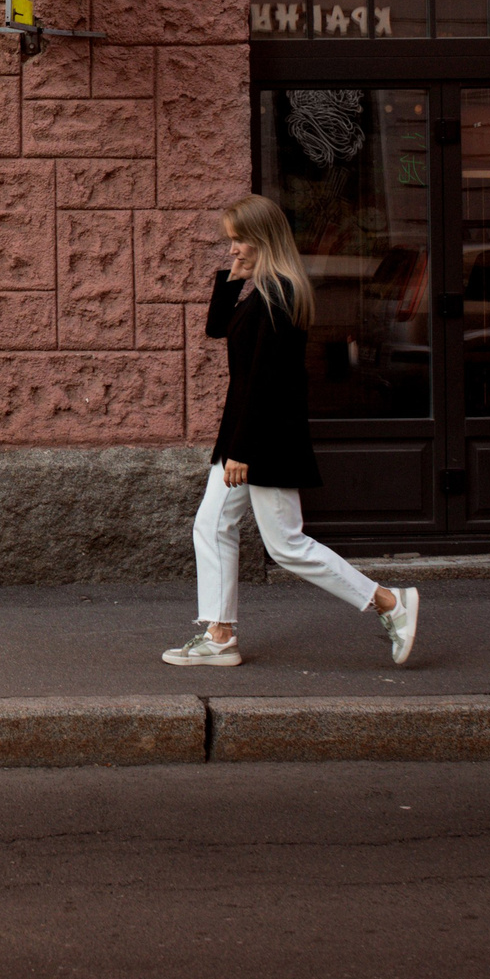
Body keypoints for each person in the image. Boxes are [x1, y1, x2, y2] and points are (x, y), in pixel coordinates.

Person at [162, 194, 420, 669]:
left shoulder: (279, 296)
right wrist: (231, 280)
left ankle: (389, 602)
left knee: (287, 544)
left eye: (239, 240)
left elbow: (267, 384)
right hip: (242, 438)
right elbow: (218, 330)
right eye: (231, 240)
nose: (232, 248)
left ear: (264, 239)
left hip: (261, 442)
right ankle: (219, 636)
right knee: (211, 525)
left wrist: (242, 450)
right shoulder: (262, 291)